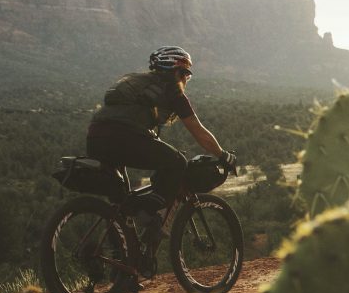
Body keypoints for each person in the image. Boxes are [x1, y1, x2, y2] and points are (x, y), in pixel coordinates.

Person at [85, 46, 237, 276]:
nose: (186, 78)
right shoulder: (172, 90)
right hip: (124, 136)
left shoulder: (139, 83)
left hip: (96, 138)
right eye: (185, 73)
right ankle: (149, 213)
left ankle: (123, 269)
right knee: (177, 162)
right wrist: (223, 155)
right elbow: (199, 131)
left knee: (121, 203)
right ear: (174, 70)